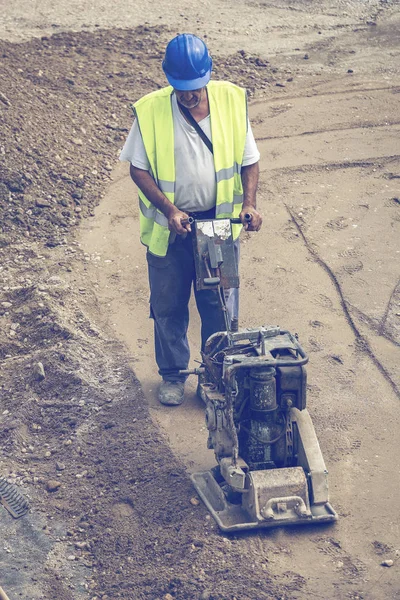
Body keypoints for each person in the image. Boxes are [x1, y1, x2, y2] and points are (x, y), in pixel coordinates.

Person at [120, 33, 262, 406]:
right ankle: (173, 376)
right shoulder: (151, 111)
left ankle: (213, 378)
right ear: (169, 80)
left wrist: (249, 204)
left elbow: (250, 160)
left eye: (194, 87)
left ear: (208, 76)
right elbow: (138, 169)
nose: (188, 95)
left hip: (218, 227)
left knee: (219, 305)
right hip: (172, 230)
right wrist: (169, 210)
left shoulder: (231, 102)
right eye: (180, 88)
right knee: (168, 305)